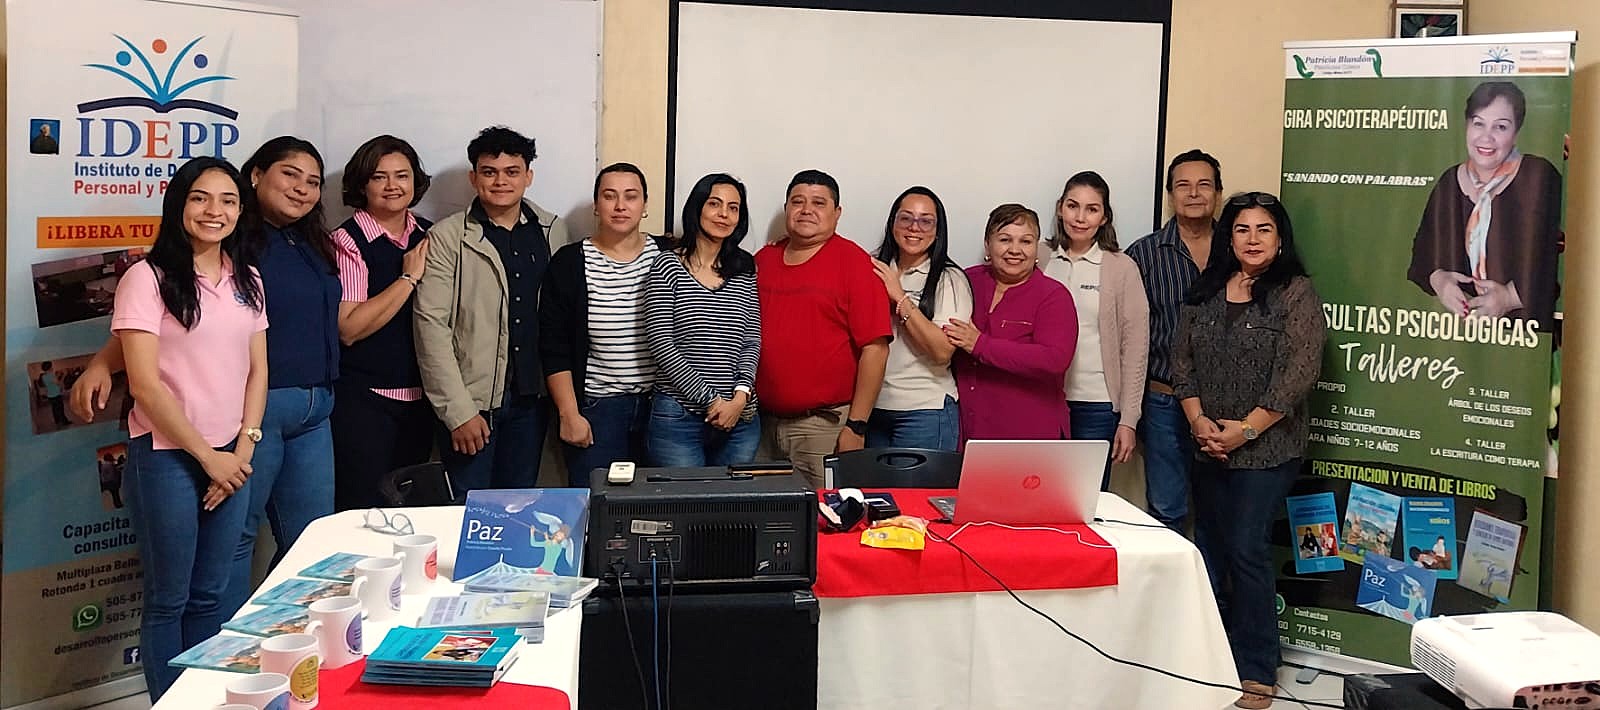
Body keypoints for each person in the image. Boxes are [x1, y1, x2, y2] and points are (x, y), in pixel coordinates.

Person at [71, 137, 340, 619]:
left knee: (300, 543)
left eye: (313, 181)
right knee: (209, 567)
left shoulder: (303, 246)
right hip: (215, 427)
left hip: (284, 417)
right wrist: (100, 363)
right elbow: (160, 325)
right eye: (289, 174)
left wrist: (241, 445)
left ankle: (268, 649)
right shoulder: (212, 249)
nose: (302, 189)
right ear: (256, 176)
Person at [111, 156, 267, 699]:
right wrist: (210, 458)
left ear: (241, 211)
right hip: (168, 456)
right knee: (168, 601)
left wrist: (243, 448)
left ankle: (203, 698)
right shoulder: (146, 278)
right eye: (201, 197)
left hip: (232, 456)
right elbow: (145, 385)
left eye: (227, 200)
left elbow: (258, 369)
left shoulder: (247, 279)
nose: (214, 211)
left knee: (209, 595)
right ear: (178, 204)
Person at [1172, 191, 1323, 709]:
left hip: (1268, 448)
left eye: (1263, 229)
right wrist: (1198, 423)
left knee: (1246, 547)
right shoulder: (1207, 288)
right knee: (1209, 549)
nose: (1252, 239)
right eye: (1241, 229)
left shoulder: (1295, 292)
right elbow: (1181, 363)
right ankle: (1209, 658)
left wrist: (1246, 431)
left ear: (1280, 238)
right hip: (1207, 443)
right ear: (1227, 236)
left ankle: (1257, 667)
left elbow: (1299, 373)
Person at [414, 126, 568, 495]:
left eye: (512, 171)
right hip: (473, 405)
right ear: (473, 177)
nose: (501, 181)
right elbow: (430, 325)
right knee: (467, 516)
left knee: (516, 511)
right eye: (489, 171)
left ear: (528, 177)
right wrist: (458, 411)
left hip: (532, 402)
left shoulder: (551, 230)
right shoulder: (448, 236)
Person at [755, 170, 891, 488]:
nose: (806, 210)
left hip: (822, 428)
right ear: (787, 208)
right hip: (759, 426)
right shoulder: (763, 259)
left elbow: (876, 348)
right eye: (797, 201)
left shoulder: (855, 263)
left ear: (836, 213)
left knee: (823, 522)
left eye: (819, 202)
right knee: (764, 520)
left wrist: (856, 426)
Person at [541, 163, 668, 487]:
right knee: (597, 511)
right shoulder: (569, 262)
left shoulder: (669, 255)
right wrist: (569, 414)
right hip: (598, 411)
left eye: (631, 196)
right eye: (609, 196)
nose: (620, 206)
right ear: (596, 205)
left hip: (663, 410)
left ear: (645, 205)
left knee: (659, 514)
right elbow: (554, 346)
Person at [328, 135, 436, 511]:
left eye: (402, 176)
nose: (393, 186)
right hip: (364, 402)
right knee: (363, 511)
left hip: (421, 401)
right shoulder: (347, 241)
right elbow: (350, 327)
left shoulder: (429, 234)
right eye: (379, 177)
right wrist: (407, 279)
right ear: (362, 184)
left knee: (411, 516)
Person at [1408, 80, 1563, 325]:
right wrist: (1440, 281)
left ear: (1516, 132)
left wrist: (1510, 297)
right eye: (1478, 123)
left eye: (1500, 127)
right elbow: (1423, 255)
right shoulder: (1450, 181)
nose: (1486, 137)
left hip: (1525, 338)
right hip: (1460, 340)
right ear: (1466, 126)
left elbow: (1556, 257)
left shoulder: (1539, 177)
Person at [1126, 149, 1222, 534]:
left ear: (1217, 192)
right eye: (1183, 185)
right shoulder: (1144, 255)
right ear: (1170, 194)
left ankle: (1215, 595)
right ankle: (1169, 594)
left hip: (1226, 404)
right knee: (1167, 507)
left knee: (1221, 512)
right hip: (1163, 400)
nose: (1194, 193)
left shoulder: (1239, 251)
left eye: (1204, 185)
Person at [644, 173, 762, 466]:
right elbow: (661, 344)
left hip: (740, 418)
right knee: (687, 507)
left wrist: (739, 397)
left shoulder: (744, 267)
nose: (724, 214)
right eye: (715, 204)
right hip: (678, 417)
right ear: (697, 208)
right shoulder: (666, 265)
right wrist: (711, 401)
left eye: (733, 208)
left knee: (731, 509)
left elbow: (751, 338)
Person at [1042, 171, 1149, 489]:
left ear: (1104, 217)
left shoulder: (1121, 268)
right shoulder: (1039, 257)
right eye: (1073, 206)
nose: (1080, 217)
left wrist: (1129, 420)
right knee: (1040, 494)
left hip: (1096, 405)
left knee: (1084, 498)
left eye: (1092, 209)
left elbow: (1136, 348)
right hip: (1044, 401)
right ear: (1060, 208)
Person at [947, 204, 1076, 444]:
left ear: (1037, 248)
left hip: (1030, 434)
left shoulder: (1053, 295)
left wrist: (980, 345)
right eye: (1004, 239)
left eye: (1026, 241)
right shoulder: (963, 281)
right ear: (988, 244)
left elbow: (1054, 359)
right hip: (968, 431)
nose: (1015, 250)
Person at [867, 187, 972, 451]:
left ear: (938, 230)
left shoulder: (950, 279)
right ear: (893, 223)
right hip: (872, 409)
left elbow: (941, 352)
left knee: (915, 494)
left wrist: (900, 297)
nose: (915, 227)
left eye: (926, 220)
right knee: (872, 493)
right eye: (906, 218)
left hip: (924, 410)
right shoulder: (872, 268)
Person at [37, 360, 70, 427]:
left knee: (54, 409)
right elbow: (58, 383)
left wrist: (57, 376)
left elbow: (50, 384)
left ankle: (57, 421)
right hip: (56, 395)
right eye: (51, 366)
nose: (52, 368)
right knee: (60, 409)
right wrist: (64, 376)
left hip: (50, 395)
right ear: (49, 367)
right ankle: (64, 422)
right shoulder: (51, 375)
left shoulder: (43, 376)